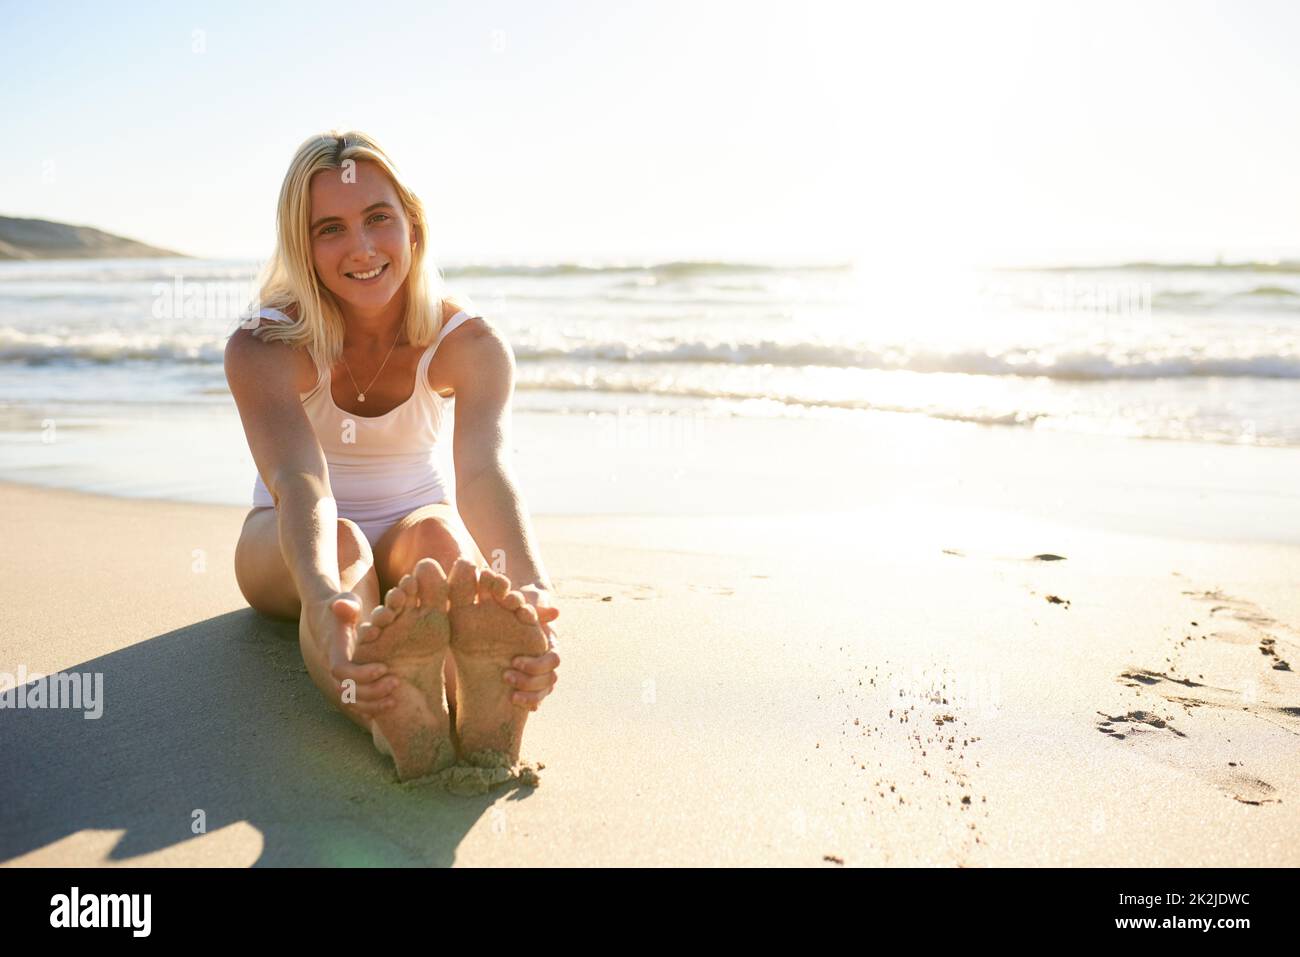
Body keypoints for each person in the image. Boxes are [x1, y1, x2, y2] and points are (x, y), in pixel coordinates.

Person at [224, 130, 561, 782]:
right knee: (343, 552)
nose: (362, 247)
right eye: (331, 228)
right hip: (286, 537)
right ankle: (390, 719)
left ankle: (481, 700)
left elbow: (486, 471)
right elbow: (301, 483)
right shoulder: (264, 344)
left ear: (413, 223)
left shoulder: (473, 342)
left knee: (439, 540)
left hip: (415, 514)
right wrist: (322, 594)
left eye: (378, 217)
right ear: (303, 245)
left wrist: (532, 583)